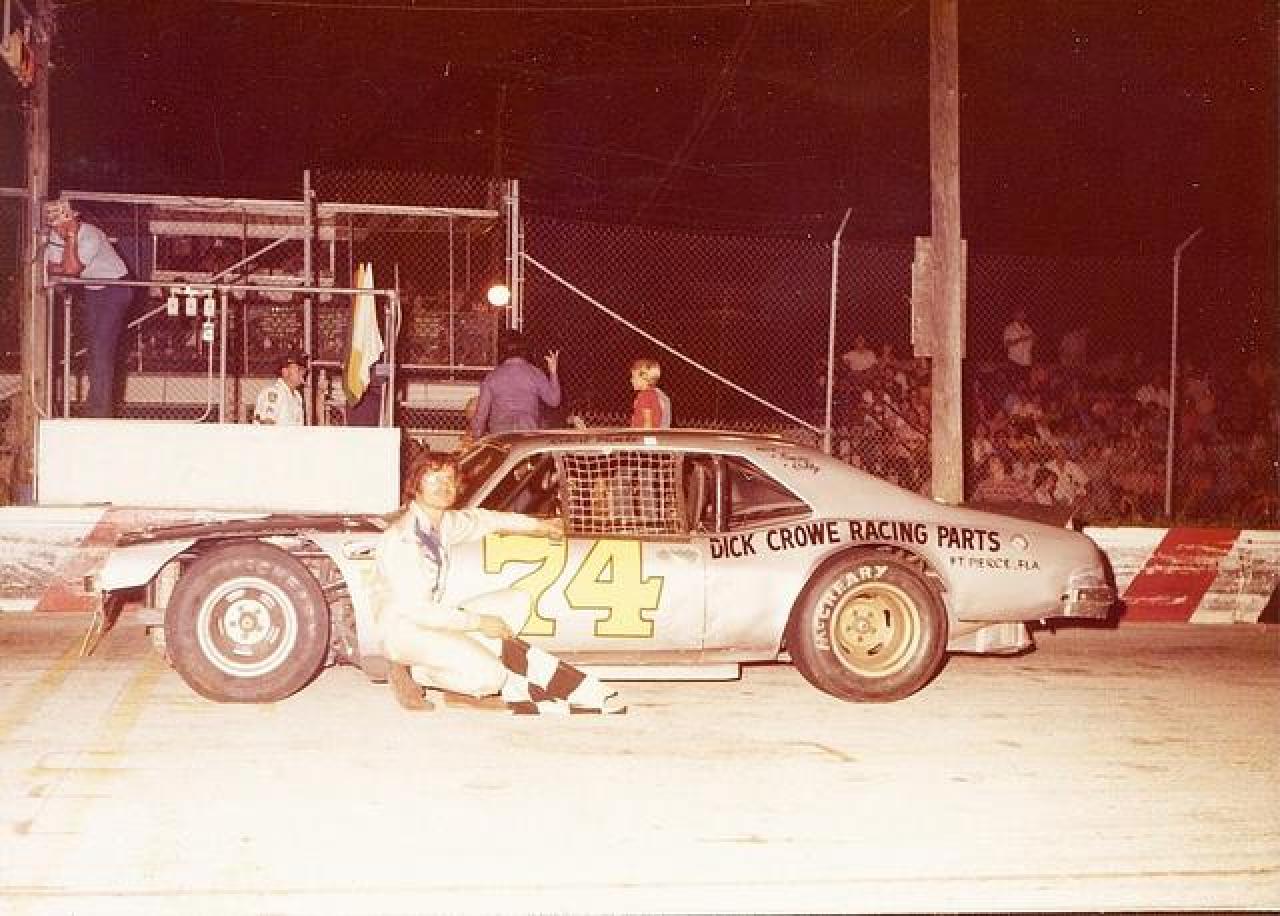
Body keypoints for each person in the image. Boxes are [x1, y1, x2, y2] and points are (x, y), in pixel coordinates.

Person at [371, 451, 625, 715]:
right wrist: (479, 622)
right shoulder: (405, 539)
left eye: (449, 479)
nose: (444, 486)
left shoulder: (442, 523)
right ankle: (411, 670)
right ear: (416, 483)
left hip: (429, 622)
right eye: (434, 478)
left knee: (516, 601)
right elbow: (418, 610)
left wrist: (538, 526)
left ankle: (458, 676)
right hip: (405, 630)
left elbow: (485, 519)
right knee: (493, 676)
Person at [43, 199, 133, 418]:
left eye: (64, 222)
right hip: (93, 289)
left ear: (74, 218)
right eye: (55, 224)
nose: (59, 228)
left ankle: (100, 413)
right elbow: (51, 268)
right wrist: (64, 265)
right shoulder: (56, 235)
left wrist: (71, 238)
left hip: (116, 287)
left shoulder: (91, 235)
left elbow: (70, 270)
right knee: (93, 348)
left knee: (101, 347)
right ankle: (96, 404)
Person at [469, 332, 560, 439]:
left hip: (500, 435)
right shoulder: (535, 373)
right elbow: (554, 401)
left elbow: (480, 416)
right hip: (527, 433)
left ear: (501, 351)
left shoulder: (492, 377)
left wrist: (476, 436)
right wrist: (553, 372)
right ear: (524, 349)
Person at [254, 350, 308, 425]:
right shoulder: (274, 393)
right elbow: (266, 426)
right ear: (285, 372)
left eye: (304, 370)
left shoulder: (297, 396)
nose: (303, 373)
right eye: (299, 369)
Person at [630, 357, 672, 428]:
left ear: (644, 379)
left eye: (633, 377)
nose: (631, 380)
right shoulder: (654, 393)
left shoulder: (645, 396)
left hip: (643, 433)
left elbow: (648, 421)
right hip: (652, 432)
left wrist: (647, 434)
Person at [1002, 309, 1036, 374]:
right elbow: (1007, 344)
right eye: (1019, 314)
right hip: (1014, 360)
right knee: (1015, 379)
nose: (1022, 316)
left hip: (1026, 361)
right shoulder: (1010, 328)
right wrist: (1020, 339)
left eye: (1023, 314)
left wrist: (1034, 339)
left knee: (1025, 379)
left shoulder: (1028, 328)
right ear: (1014, 315)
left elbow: (1032, 343)